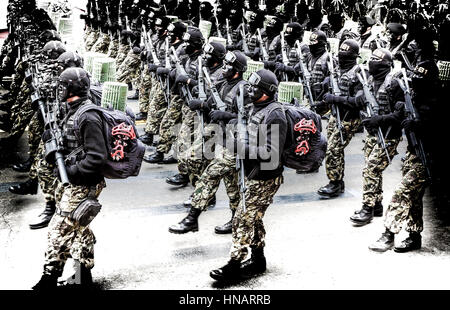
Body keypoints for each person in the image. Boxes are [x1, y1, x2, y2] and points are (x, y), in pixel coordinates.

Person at [32, 67, 107, 290]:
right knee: (80, 227)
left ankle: (48, 279)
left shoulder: (88, 116)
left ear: (73, 88)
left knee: (59, 229)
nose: (59, 90)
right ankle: (83, 277)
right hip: (77, 181)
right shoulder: (72, 109)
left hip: (84, 183)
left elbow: (97, 157)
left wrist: (71, 172)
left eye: (63, 86)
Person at [210, 69, 287, 281]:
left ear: (267, 91)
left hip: (265, 176)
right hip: (251, 171)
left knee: (242, 218)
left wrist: (238, 148)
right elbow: (245, 127)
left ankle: (234, 264)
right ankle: (258, 260)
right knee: (255, 219)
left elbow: (271, 153)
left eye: (255, 87)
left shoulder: (275, 114)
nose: (250, 90)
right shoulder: (254, 107)